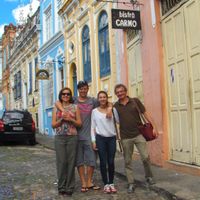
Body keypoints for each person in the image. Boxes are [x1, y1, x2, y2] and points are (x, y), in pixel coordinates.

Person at [55, 81, 102, 192]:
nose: (83, 90)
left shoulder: (93, 101)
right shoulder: (73, 100)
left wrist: (109, 108)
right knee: (79, 160)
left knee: (91, 160)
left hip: (89, 135)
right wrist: (63, 111)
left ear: (87, 89)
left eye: (85, 88)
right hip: (75, 135)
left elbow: (105, 103)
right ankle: (83, 182)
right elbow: (57, 102)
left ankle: (89, 181)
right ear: (78, 90)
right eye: (81, 89)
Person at [113, 83, 159, 193]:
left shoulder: (135, 101)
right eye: (117, 92)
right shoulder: (115, 106)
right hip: (125, 137)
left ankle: (149, 176)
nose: (120, 93)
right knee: (128, 161)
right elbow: (114, 121)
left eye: (121, 91)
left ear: (125, 91)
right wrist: (117, 136)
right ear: (116, 94)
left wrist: (154, 127)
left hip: (139, 134)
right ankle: (131, 183)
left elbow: (145, 113)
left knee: (145, 157)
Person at [52, 87, 82, 196]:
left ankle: (69, 187)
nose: (66, 96)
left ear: (70, 96)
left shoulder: (75, 107)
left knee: (71, 162)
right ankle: (61, 186)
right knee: (61, 162)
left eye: (68, 94)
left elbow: (79, 124)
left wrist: (71, 120)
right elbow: (53, 125)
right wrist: (61, 120)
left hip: (72, 137)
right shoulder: (56, 107)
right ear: (61, 95)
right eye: (64, 94)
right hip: (59, 138)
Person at [91, 91, 117, 194]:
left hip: (111, 138)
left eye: (104, 97)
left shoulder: (113, 109)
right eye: (100, 97)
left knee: (111, 161)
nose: (102, 99)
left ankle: (111, 183)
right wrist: (93, 141)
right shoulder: (94, 111)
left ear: (107, 98)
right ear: (98, 99)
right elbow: (92, 127)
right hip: (100, 138)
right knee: (103, 162)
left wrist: (111, 109)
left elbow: (118, 121)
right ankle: (106, 184)